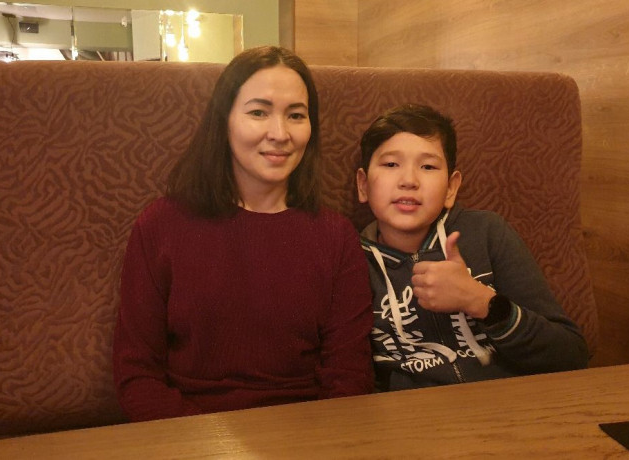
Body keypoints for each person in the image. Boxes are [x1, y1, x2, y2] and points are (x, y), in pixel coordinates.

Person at [113, 46, 374, 422]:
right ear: (224, 121)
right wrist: (207, 444)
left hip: (307, 433)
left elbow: (349, 377)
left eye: (296, 115)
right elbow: (136, 377)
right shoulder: (161, 226)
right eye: (258, 112)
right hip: (187, 434)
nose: (280, 134)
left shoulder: (336, 237)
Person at [355, 103, 589, 391]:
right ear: (363, 185)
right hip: (412, 413)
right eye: (391, 164)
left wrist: (480, 301)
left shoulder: (488, 233)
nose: (409, 181)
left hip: (510, 402)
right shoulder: (350, 259)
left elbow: (571, 355)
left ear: (451, 188)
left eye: (428, 166)